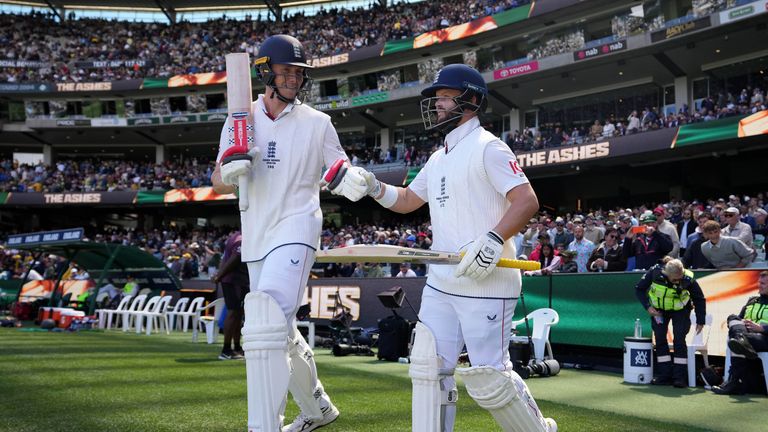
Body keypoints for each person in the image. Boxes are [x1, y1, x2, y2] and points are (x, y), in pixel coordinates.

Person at [324, 64, 556, 431]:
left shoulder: (489, 147)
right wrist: (371, 185)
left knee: (489, 378)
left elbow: (526, 200)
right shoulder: (438, 157)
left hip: (488, 280)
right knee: (428, 367)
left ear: (472, 100)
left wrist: (494, 240)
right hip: (443, 282)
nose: (437, 104)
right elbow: (407, 200)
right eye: (436, 97)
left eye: (445, 96)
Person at [212, 34, 342, 431]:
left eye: (298, 74)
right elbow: (217, 179)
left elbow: (340, 168)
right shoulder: (240, 118)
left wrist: (354, 180)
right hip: (257, 235)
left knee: (264, 323)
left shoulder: (319, 123)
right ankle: (318, 409)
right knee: (280, 331)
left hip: (298, 226)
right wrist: (231, 172)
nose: (293, 80)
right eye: (285, 72)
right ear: (266, 72)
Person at [635, 257, 706, 387]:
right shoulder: (655, 273)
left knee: (679, 340)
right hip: (659, 311)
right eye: (675, 279)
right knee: (660, 339)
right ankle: (664, 375)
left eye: (680, 278)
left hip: (680, 310)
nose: (678, 281)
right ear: (666, 274)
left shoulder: (687, 278)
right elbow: (639, 289)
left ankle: (680, 378)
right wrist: (648, 307)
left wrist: (701, 320)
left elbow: (699, 298)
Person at [713, 270, 768, 395]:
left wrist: (761, 328)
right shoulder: (752, 300)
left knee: (737, 342)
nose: (759, 285)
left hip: (764, 338)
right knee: (733, 318)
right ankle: (740, 340)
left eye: (763, 283)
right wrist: (743, 323)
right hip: (747, 334)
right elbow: (737, 320)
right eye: (759, 282)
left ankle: (734, 382)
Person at [211, 231, 249, 361]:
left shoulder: (235, 236)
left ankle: (236, 348)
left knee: (237, 313)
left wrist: (219, 275)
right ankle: (226, 350)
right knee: (233, 313)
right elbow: (235, 258)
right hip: (235, 280)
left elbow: (226, 258)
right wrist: (219, 276)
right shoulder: (242, 239)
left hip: (234, 280)